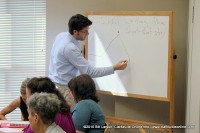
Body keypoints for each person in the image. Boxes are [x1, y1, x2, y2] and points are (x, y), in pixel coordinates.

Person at [49, 14, 128, 106]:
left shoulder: (61, 36)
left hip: (56, 85)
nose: (88, 34)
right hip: (65, 89)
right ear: (75, 32)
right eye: (85, 31)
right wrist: (115, 68)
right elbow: (91, 72)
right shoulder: (69, 48)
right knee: (72, 118)